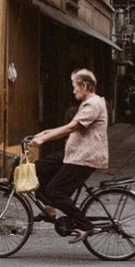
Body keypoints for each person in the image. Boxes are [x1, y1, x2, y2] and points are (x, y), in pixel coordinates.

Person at [30, 68, 108, 244]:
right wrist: (45, 132)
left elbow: (71, 127)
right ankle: (49, 209)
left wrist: (44, 139)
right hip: (73, 152)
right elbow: (71, 126)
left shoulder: (93, 104)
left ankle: (84, 225)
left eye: (75, 87)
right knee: (38, 169)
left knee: (54, 190)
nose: (73, 91)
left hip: (85, 157)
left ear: (84, 85)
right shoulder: (88, 103)